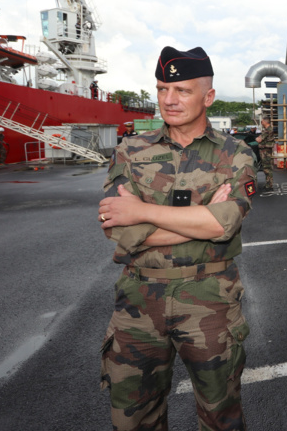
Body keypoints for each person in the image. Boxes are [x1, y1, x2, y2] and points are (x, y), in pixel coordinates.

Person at [98, 46, 257, 431]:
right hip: (138, 300)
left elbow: (225, 225)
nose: (169, 100)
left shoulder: (235, 154)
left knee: (220, 415)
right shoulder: (132, 150)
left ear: (208, 96)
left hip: (211, 299)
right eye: (162, 89)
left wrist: (144, 212)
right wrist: (198, 219)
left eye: (183, 90)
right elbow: (117, 227)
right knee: (132, 418)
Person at [255, 115, 275, 191]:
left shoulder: (268, 130)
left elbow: (259, 140)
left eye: (262, 121)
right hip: (266, 151)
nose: (261, 122)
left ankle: (269, 185)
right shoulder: (268, 129)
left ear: (265, 121)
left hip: (266, 151)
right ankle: (268, 184)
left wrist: (257, 138)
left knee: (267, 168)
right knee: (267, 168)